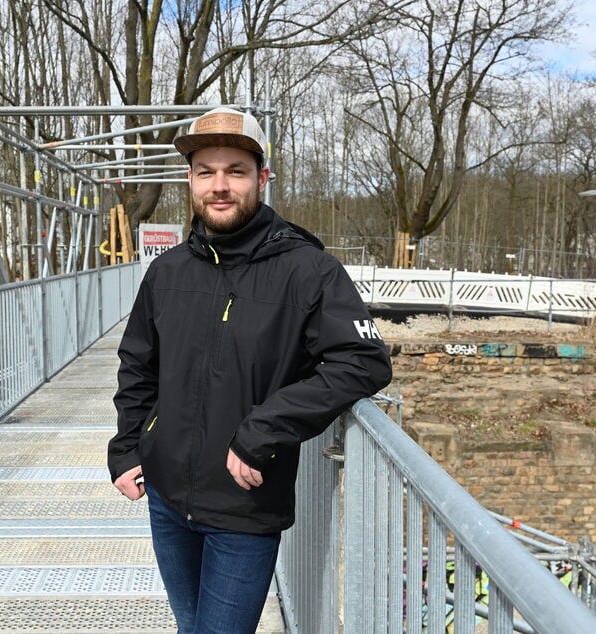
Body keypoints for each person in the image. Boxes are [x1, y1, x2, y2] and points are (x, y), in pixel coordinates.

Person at [107, 106, 393, 633]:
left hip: (244, 502)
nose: (220, 185)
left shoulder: (307, 270)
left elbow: (363, 361)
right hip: (166, 497)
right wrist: (126, 448)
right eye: (205, 172)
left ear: (261, 178)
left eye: (235, 171)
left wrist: (265, 428)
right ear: (190, 181)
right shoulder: (166, 271)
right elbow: (137, 366)